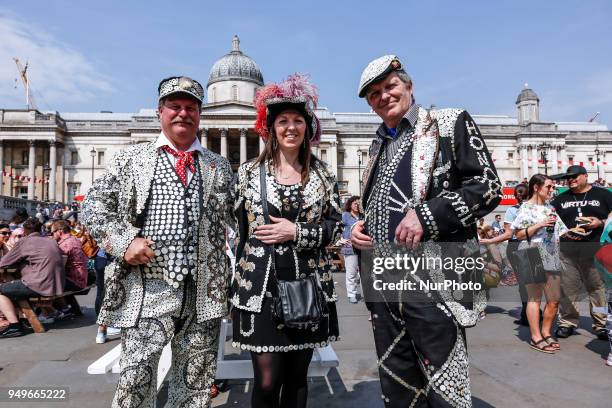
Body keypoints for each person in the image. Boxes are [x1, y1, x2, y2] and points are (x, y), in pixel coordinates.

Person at [351, 55, 502, 407]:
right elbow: (378, 204)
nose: (383, 96)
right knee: (398, 385)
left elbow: (488, 187)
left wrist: (428, 215)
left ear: (409, 86)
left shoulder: (448, 123)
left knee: (445, 385)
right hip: (386, 286)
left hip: (434, 283)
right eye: (374, 94)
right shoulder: (378, 145)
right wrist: (361, 228)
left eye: (390, 86)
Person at [82, 76, 233, 407]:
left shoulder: (218, 165)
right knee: (136, 382)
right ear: (160, 112)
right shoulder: (131, 159)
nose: (183, 114)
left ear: (200, 114)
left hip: (203, 295)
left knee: (194, 384)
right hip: (146, 291)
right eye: (175, 107)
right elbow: (93, 208)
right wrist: (125, 241)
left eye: (191, 107)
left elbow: (243, 217)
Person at [231, 74, 342, 408]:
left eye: (298, 121)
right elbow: (237, 230)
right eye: (283, 121)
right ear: (270, 128)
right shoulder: (248, 173)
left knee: (296, 380)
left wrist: (297, 232)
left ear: (308, 128)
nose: (291, 127)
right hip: (259, 291)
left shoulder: (323, 174)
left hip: (308, 288)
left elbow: (336, 227)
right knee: (266, 382)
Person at [551, 165, 612, 340]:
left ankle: (601, 324)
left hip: (596, 250)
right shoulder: (560, 199)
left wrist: (599, 223)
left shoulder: (603, 195)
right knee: (568, 289)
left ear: (585, 176)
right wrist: (562, 232)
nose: (570, 180)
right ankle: (567, 322)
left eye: (574, 176)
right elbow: (553, 222)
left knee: (597, 290)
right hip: (567, 251)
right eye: (568, 178)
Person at [512, 174, 568, 353]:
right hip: (531, 253)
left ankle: (546, 332)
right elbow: (519, 235)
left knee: (554, 299)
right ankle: (536, 336)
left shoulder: (551, 207)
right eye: (549, 187)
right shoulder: (526, 208)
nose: (552, 190)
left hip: (551, 254)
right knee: (534, 298)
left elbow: (560, 231)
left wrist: (576, 231)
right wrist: (540, 224)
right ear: (536, 187)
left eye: (552, 187)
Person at [0, 218, 64, 338]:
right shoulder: (51, 241)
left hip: (39, 285)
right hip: (57, 284)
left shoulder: (24, 242)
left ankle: (14, 326)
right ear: (40, 229)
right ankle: (23, 320)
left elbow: (3, 263)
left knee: (2, 289)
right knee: (12, 287)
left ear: (24, 232)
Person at [480, 183, 530, 324]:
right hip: (534, 245)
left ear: (515, 196)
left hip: (516, 246)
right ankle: (535, 312)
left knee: (523, 283)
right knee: (536, 282)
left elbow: (508, 234)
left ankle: (527, 314)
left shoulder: (512, 210)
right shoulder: (537, 208)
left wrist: (490, 240)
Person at [51, 220, 88, 291]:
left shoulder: (65, 244)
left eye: (53, 232)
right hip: (81, 279)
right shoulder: (75, 239)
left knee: (45, 284)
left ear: (59, 231)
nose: (52, 235)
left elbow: (59, 266)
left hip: (74, 281)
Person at [341, 196, 362, 303]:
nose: (357, 205)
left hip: (363, 247)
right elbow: (337, 228)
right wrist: (340, 240)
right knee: (351, 272)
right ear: (350, 205)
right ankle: (352, 294)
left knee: (364, 272)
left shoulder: (362, 216)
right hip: (350, 248)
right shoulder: (345, 216)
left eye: (358, 203)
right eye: (355, 203)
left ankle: (362, 289)